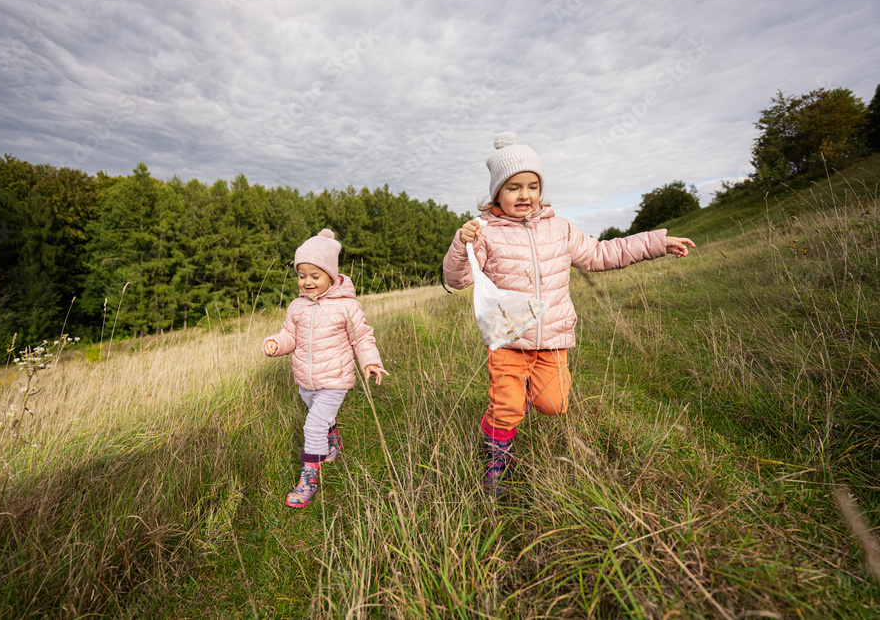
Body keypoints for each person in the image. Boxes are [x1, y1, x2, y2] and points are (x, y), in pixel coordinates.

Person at [443, 132, 696, 493]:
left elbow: (601, 254)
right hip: (508, 339)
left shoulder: (559, 229)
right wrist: (461, 243)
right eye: (514, 187)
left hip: (553, 338)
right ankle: (497, 456)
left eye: (532, 186)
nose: (525, 195)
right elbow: (457, 279)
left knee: (554, 404)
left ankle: (517, 407)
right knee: (507, 407)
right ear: (497, 191)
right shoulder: (485, 234)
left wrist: (656, 242)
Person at [262, 229, 389, 508]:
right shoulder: (296, 307)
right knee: (319, 417)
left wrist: (370, 361)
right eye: (302, 275)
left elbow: (362, 337)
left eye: (314, 276)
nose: (307, 282)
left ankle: (309, 478)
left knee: (313, 425)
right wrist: (275, 343)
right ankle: (334, 441)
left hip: (335, 380)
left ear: (331, 276)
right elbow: (290, 337)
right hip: (306, 381)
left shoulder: (347, 306)